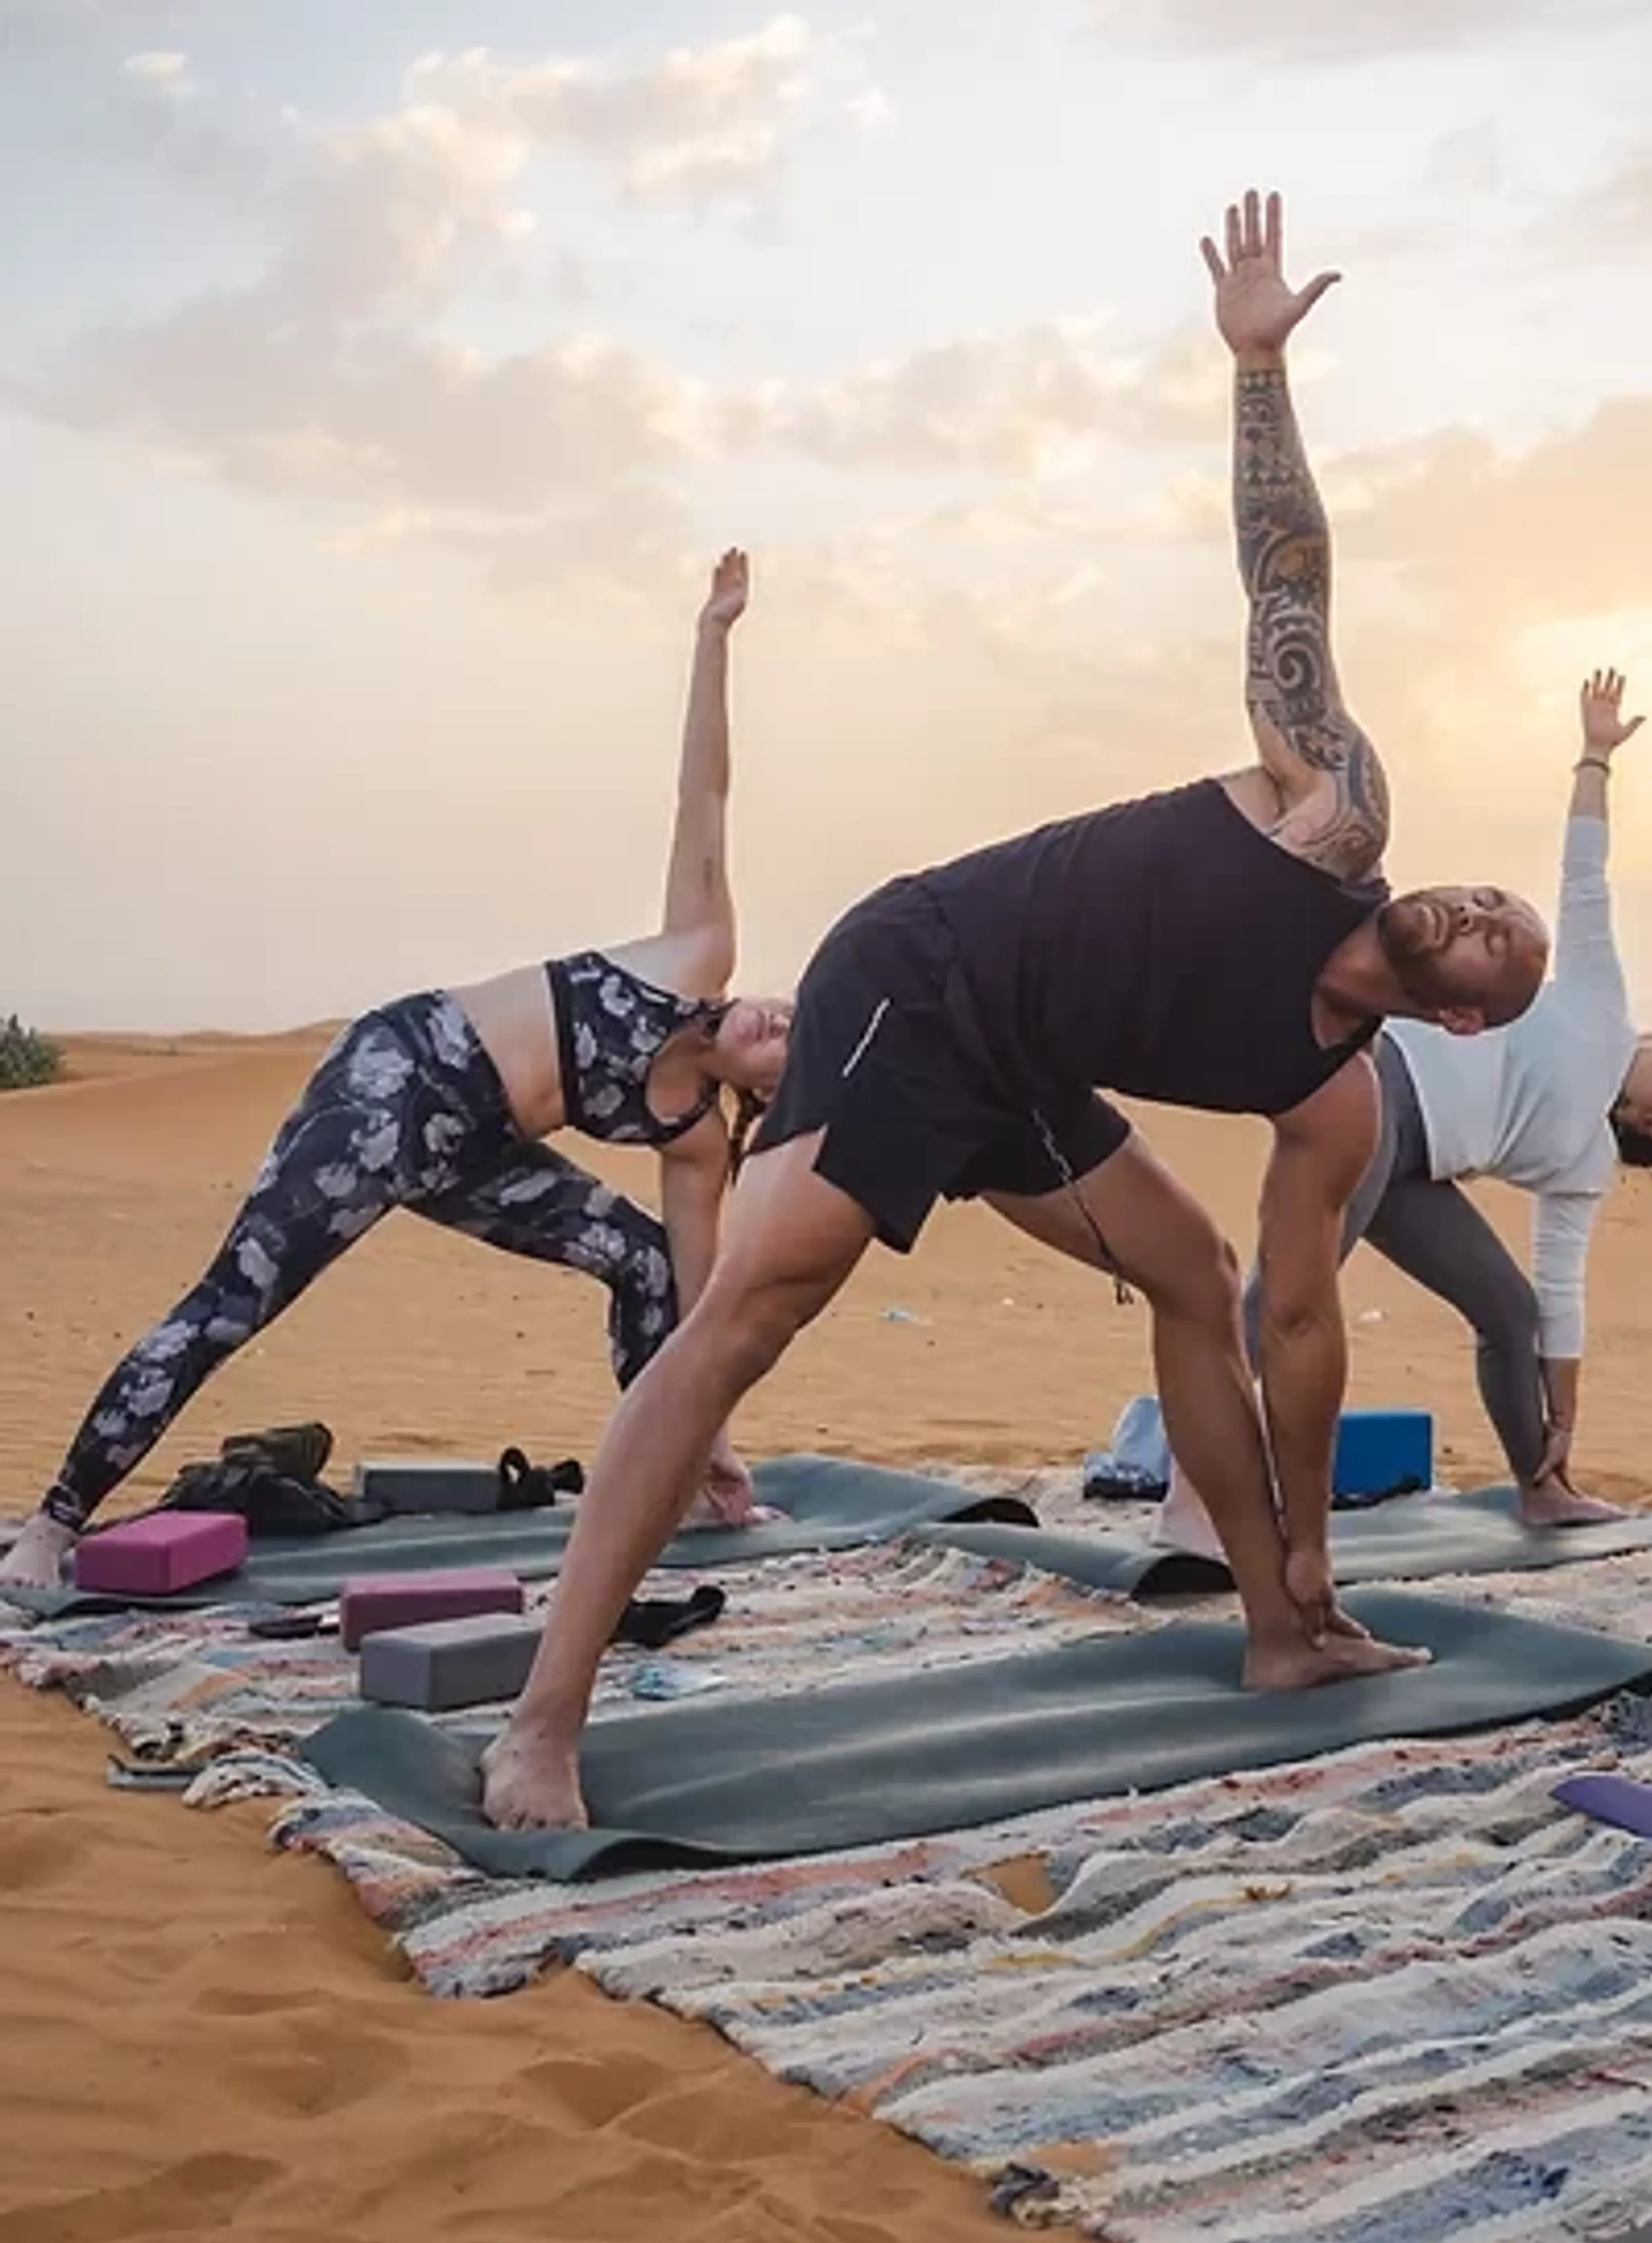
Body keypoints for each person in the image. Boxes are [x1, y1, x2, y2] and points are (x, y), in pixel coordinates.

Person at [482, 187, 1551, 1831]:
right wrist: (1257, 370)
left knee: (1196, 1274)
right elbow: (1289, 587)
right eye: (1489, 890)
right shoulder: (1330, 811)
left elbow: (1297, 1316)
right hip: (924, 973)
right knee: (753, 1316)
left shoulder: (1331, 1091)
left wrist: (1319, 1531)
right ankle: (544, 1718)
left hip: (1031, 1060)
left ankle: (1281, 1630)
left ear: (1471, 1024)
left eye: (1501, 944)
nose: (1476, 911)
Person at [0, 550, 788, 1594]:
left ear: (763, 1096)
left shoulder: (693, 1141)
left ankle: (663, 1481)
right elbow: (707, 791)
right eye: (794, 1006)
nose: (780, 1015)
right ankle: (55, 1522)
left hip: (480, 1151)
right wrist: (713, 636)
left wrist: (714, 1441)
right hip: (400, 1080)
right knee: (235, 1302)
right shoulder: (697, 947)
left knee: (643, 1263)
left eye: (791, 1043)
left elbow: (696, 1315)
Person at [1157, 670, 1652, 1544]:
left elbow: (1559, 1299)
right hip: (1378, 1093)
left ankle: (1542, 1489)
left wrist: (1564, 1429)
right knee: (1286, 1294)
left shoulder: (1583, 1164)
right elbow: (1587, 873)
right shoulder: (1603, 1000)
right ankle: (1193, 1490)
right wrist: (1594, 756)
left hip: (1412, 1171)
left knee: (1508, 1312)